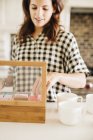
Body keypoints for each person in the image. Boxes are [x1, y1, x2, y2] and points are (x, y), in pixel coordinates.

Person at [0, 0, 89, 102]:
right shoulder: (19, 39)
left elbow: (81, 80)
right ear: (28, 7)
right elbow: (13, 75)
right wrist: (3, 82)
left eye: (45, 8)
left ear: (54, 8)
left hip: (52, 109)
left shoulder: (65, 38)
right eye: (34, 7)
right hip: (22, 108)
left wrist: (56, 75)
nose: (38, 14)